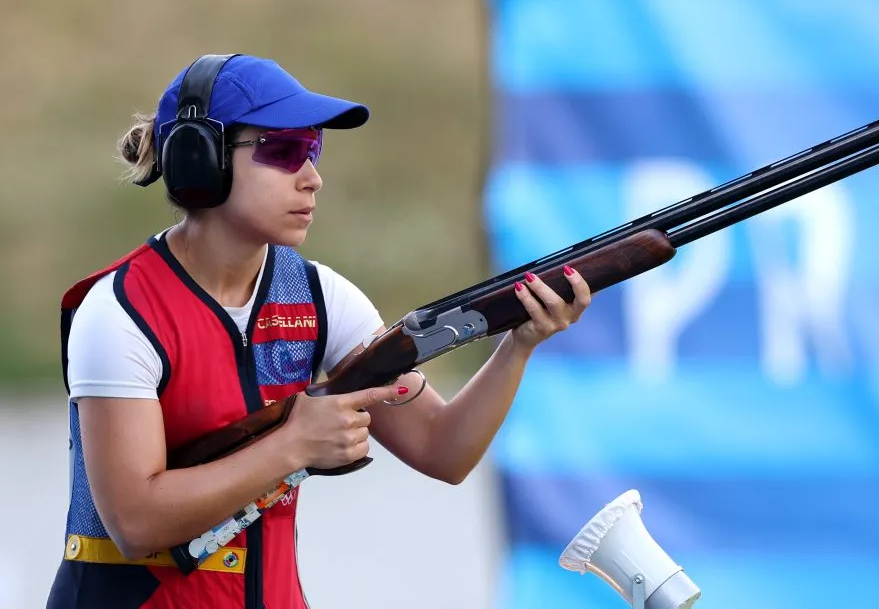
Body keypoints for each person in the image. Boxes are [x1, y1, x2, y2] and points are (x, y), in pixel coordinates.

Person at [46, 54, 592, 609]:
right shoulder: (117, 313)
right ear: (199, 159)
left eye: (313, 149)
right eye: (283, 152)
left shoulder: (320, 296)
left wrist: (518, 345)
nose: (313, 177)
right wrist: (294, 445)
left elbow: (443, 449)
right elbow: (136, 522)